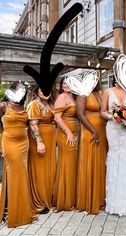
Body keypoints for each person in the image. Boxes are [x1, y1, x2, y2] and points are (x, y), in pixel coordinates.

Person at [101, 78, 126, 216]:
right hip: (113, 128)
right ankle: (115, 203)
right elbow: (102, 112)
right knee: (115, 156)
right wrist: (113, 117)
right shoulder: (107, 92)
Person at [0, 81, 37, 227]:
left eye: (24, 89)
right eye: (20, 89)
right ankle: (16, 214)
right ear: (12, 90)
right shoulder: (4, 106)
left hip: (24, 144)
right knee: (17, 175)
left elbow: (28, 125)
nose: (22, 91)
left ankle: (13, 209)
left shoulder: (23, 105)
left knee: (20, 176)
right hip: (10, 143)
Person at [76, 82, 107, 214]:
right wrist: (93, 130)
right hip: (90, 131)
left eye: (96, 79)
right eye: (92, 79)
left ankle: (100, 197)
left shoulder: (100, 94)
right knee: (90, 162)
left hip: (102, 130)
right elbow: (80, 114)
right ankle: (88, 199)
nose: (95, 81)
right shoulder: (83, 94)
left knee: (100, 163)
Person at [27, 86, 56, 214]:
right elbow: (33, 124)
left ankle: (49, 198)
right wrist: (39, 142)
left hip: (50, 140)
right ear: (37, 91)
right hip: (40, 141)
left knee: (49, 169)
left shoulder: (51, 103)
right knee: (40, 170)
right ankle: (39, 202)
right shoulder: (34, 104)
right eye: (42, 89)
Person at [52, 78, 78, 212]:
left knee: (72, 165)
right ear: (61, 87)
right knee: (67, 164)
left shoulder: (73, 97)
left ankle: (72, 198)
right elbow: (57, 117)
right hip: (66, 134)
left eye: (69, 83)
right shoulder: (62, 97)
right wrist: (68, 132)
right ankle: (65, 201)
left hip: (74, 133)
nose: (66, 85)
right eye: (64, 84)